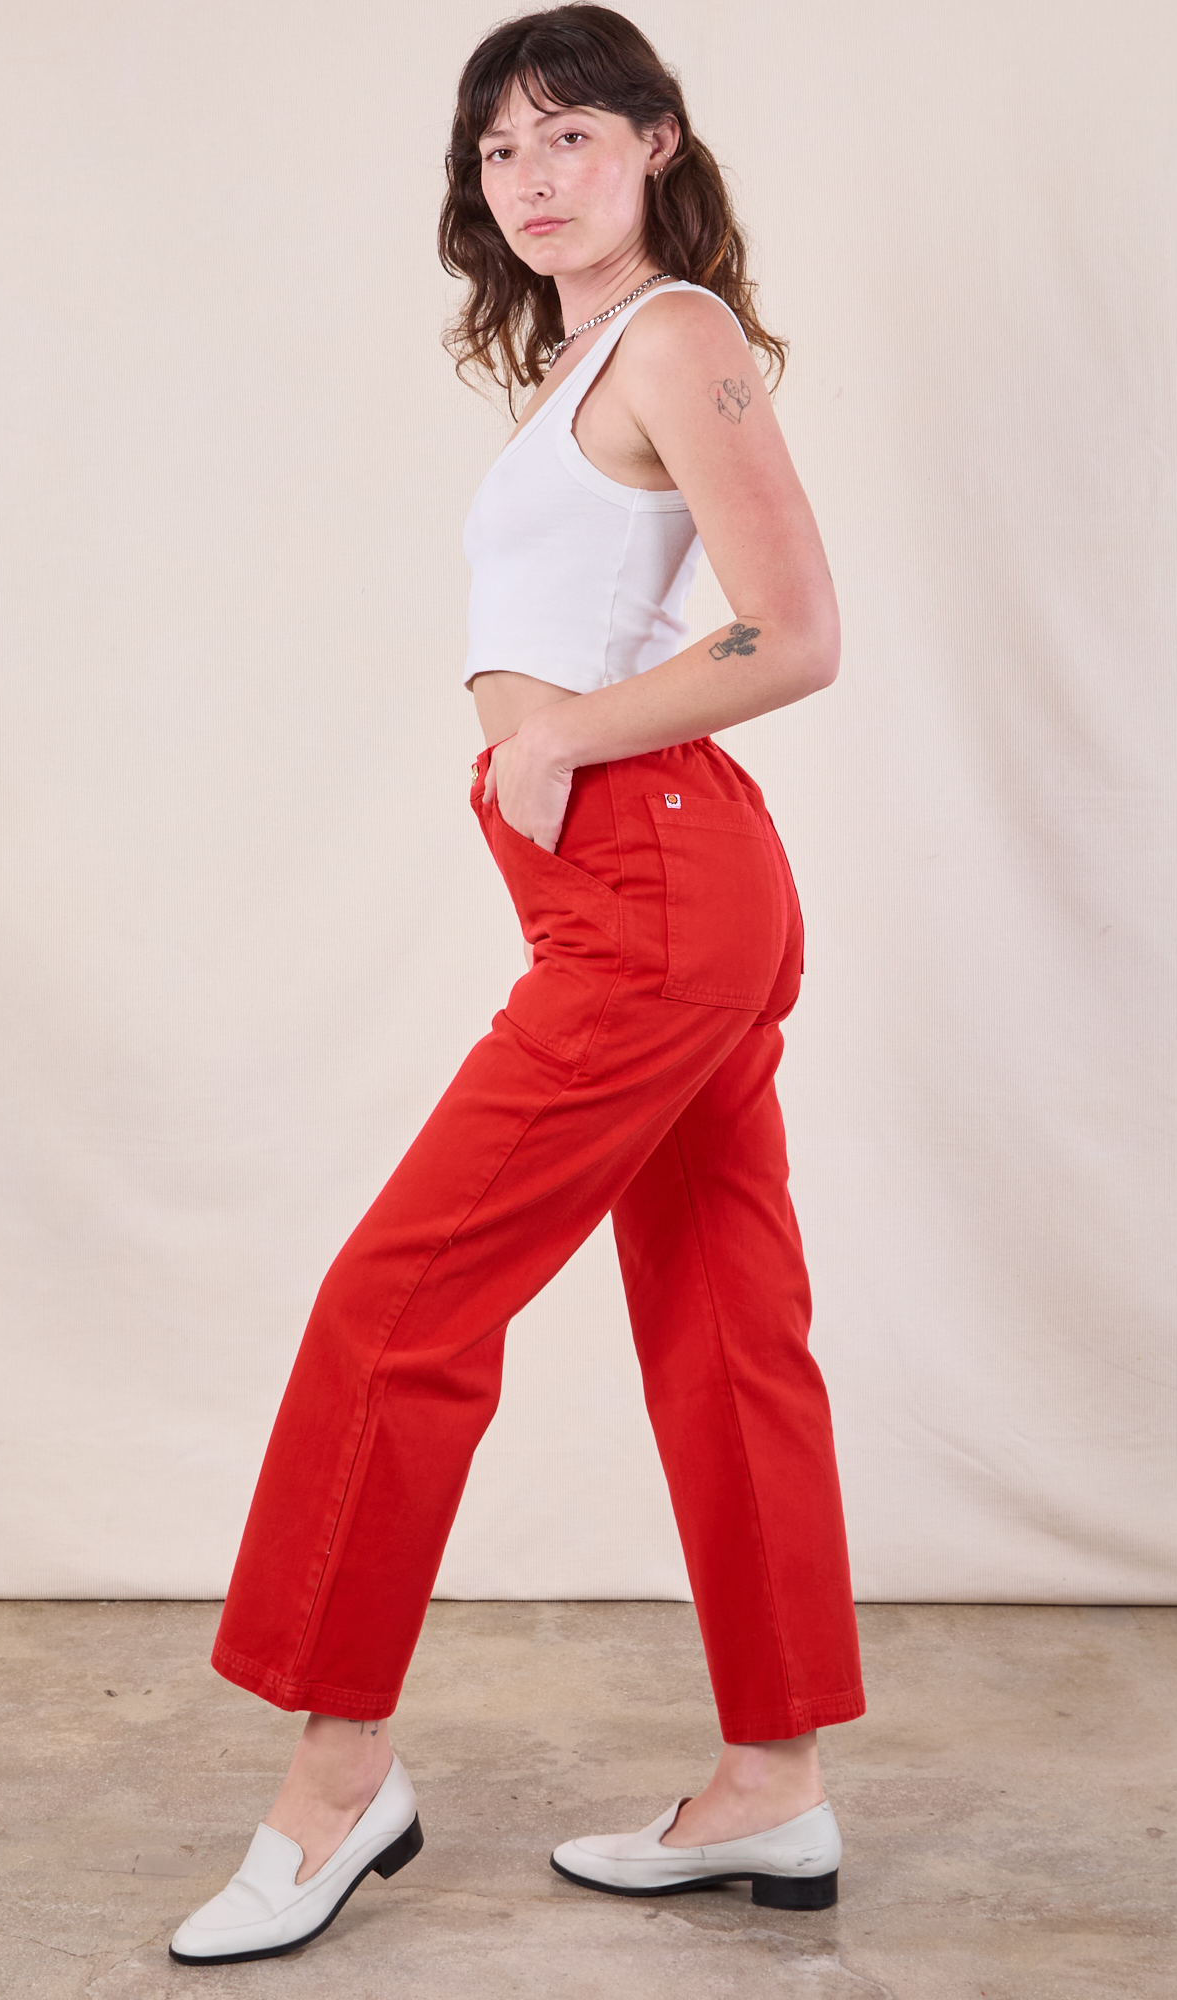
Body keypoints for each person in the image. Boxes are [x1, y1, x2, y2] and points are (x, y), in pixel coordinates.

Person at [170, 4, 864, 1966]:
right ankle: (772, 1783)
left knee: (398, 1304)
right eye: (499, 149)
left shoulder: (679, 333)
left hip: (652, 878)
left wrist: (560, 742)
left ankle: (334, 1782)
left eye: (571, 132)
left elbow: (795, 626)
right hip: (649, 890)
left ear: (654, 140)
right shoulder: (585, 361)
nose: (534, 174)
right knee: (730, 1327)